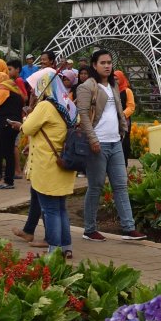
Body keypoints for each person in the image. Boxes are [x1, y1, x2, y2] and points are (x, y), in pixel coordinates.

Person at [77, 48, 146, 242]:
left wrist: (122, 131)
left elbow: (119, 110)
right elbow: (83, 115)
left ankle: (128, 227)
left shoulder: (114, 85)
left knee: (121, 185)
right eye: (103, 63)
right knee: (96, 186)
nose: (107, 66)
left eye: (109, 63)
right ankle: (89, 229)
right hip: (97, 144)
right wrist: (92, 139)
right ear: (94, 65)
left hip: (115, 142)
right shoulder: (87, 87)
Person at [17, 69, 77, 257]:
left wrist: (30, 112)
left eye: (37, 87)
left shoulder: (45, 106)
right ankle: (66, 247)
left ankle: (54, 248)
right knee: (60, 208)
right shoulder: (69, 106)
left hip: (47, 165)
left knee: (50, 209)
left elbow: (27, 128)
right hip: (65, 162)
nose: (35, 91)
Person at [0, 59, 27, 189]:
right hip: (15, 122)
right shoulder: (15, 89)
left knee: (6, 152)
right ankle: (7, 179)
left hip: (6, 123)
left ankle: (8, 181)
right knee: (7, 151)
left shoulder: (3, 89)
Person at [115, 70, 136, 161]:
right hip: (112, 120)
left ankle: (124, 162)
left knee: (124, 141)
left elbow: (131, 107)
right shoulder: (110, 90)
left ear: (121, 79)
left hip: (124, 120)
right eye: (113, 79)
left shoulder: (127, 91)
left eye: (117, 79)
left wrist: (122, 114)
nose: (115, 81)